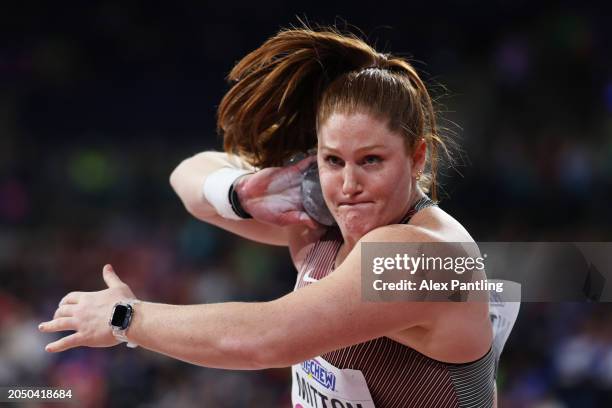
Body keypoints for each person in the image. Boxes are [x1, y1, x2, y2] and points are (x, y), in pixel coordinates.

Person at [39, 26, 497, 407]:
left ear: (417, 158)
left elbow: (267, 338)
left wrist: (126, 318)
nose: (349, 184)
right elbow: (187, 178)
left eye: (372, 160)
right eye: (333, 161)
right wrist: (239, 193)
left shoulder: (423, 254)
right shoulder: (322, 219)